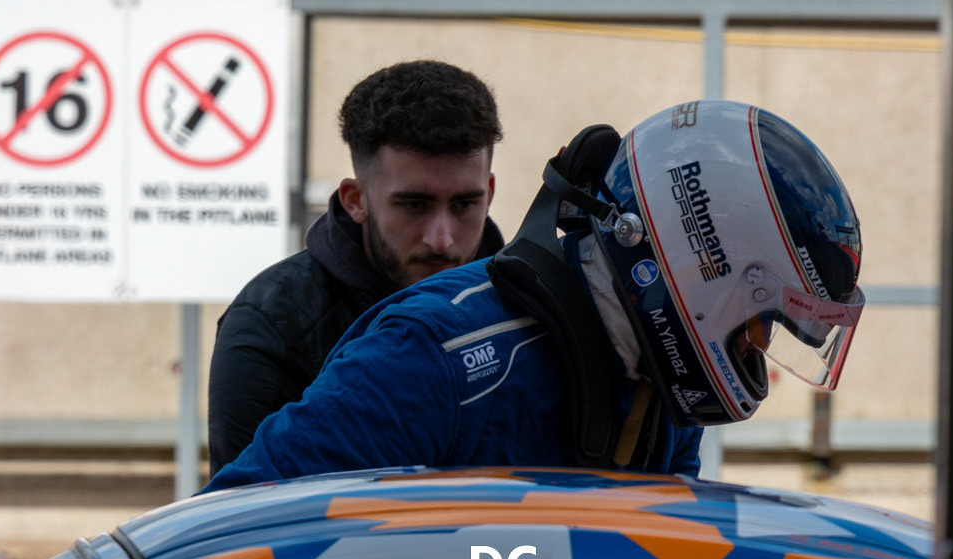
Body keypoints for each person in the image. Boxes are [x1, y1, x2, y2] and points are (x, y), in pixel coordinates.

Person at [202, 100, 865, 492]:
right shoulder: (435, 355)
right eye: (760, 317)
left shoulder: (656, 383)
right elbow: (232, 541)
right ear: (700, 274)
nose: (759, 347)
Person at [207, 60, 505, 476]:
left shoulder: (527, 304)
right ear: (355, 199)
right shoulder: (273, 323)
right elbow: (246, 517)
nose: (442, 238)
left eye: (464, 204)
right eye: (414, 205)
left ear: (488, 193)